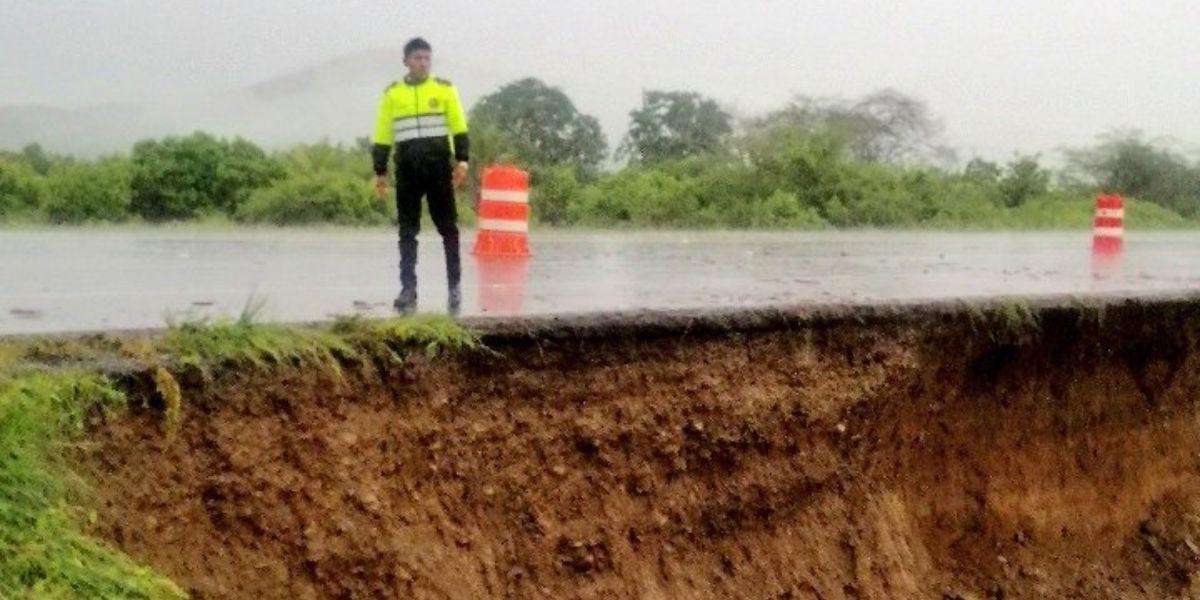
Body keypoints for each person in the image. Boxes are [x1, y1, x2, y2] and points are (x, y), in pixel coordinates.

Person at [372, 37, 470, 315]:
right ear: (406, 61)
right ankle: (408, 289)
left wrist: (462, 160)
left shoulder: (445, 89)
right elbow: (382, 133)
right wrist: (380, 170)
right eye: (417, 57)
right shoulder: (393, 94)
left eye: (427, 57)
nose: (423, 62)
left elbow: (459, 126)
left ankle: (454, 286)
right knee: (407, 231)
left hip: (438, 170)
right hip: (407, 172)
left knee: (448, 229)